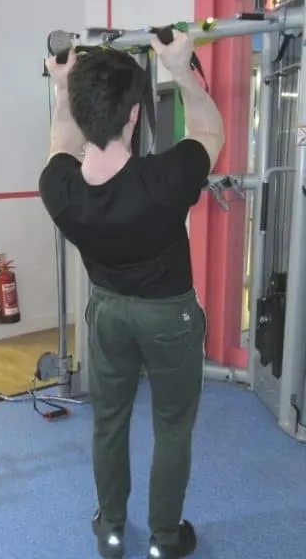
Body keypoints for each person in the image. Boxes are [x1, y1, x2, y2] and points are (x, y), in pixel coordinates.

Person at [40, 31, 224, 559]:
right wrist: (180, 67)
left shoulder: (60, 188)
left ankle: (112, 530)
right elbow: (211, 129)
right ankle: (166, 539)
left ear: (81, 112)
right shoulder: (165, 178)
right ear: (135, 115)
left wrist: (61, 87)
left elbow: (59, 142)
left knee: (109, 421)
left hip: (108, 315)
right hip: (169, 318)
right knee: (172, 426)